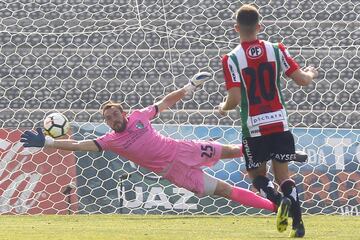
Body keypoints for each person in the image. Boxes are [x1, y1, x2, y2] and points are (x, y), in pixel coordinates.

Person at [21, 72, 290, 230]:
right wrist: (48, 143)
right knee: (224, 190)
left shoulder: (139, 117)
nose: (114, 119)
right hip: (174, 172)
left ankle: (271, 147)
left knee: (233, 150)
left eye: (115, 113)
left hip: (183, 150)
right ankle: (276, 206)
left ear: (123, 112)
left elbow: (165, 102)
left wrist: (189, 87)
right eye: (109, 118)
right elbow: (79, 145)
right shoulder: (111, 140)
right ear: (107, 123)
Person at [218, 4, 318, 238]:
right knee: (284, 176)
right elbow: (302, 80)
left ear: (236, 28)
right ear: (259, 26)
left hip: (253, 126)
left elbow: (233, 99)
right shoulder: (276, 49)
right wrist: (311, 72)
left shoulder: (231, 58)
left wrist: (222, 108)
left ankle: (277, 201)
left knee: (256, 176)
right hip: (279, 123)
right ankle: (299, 225)